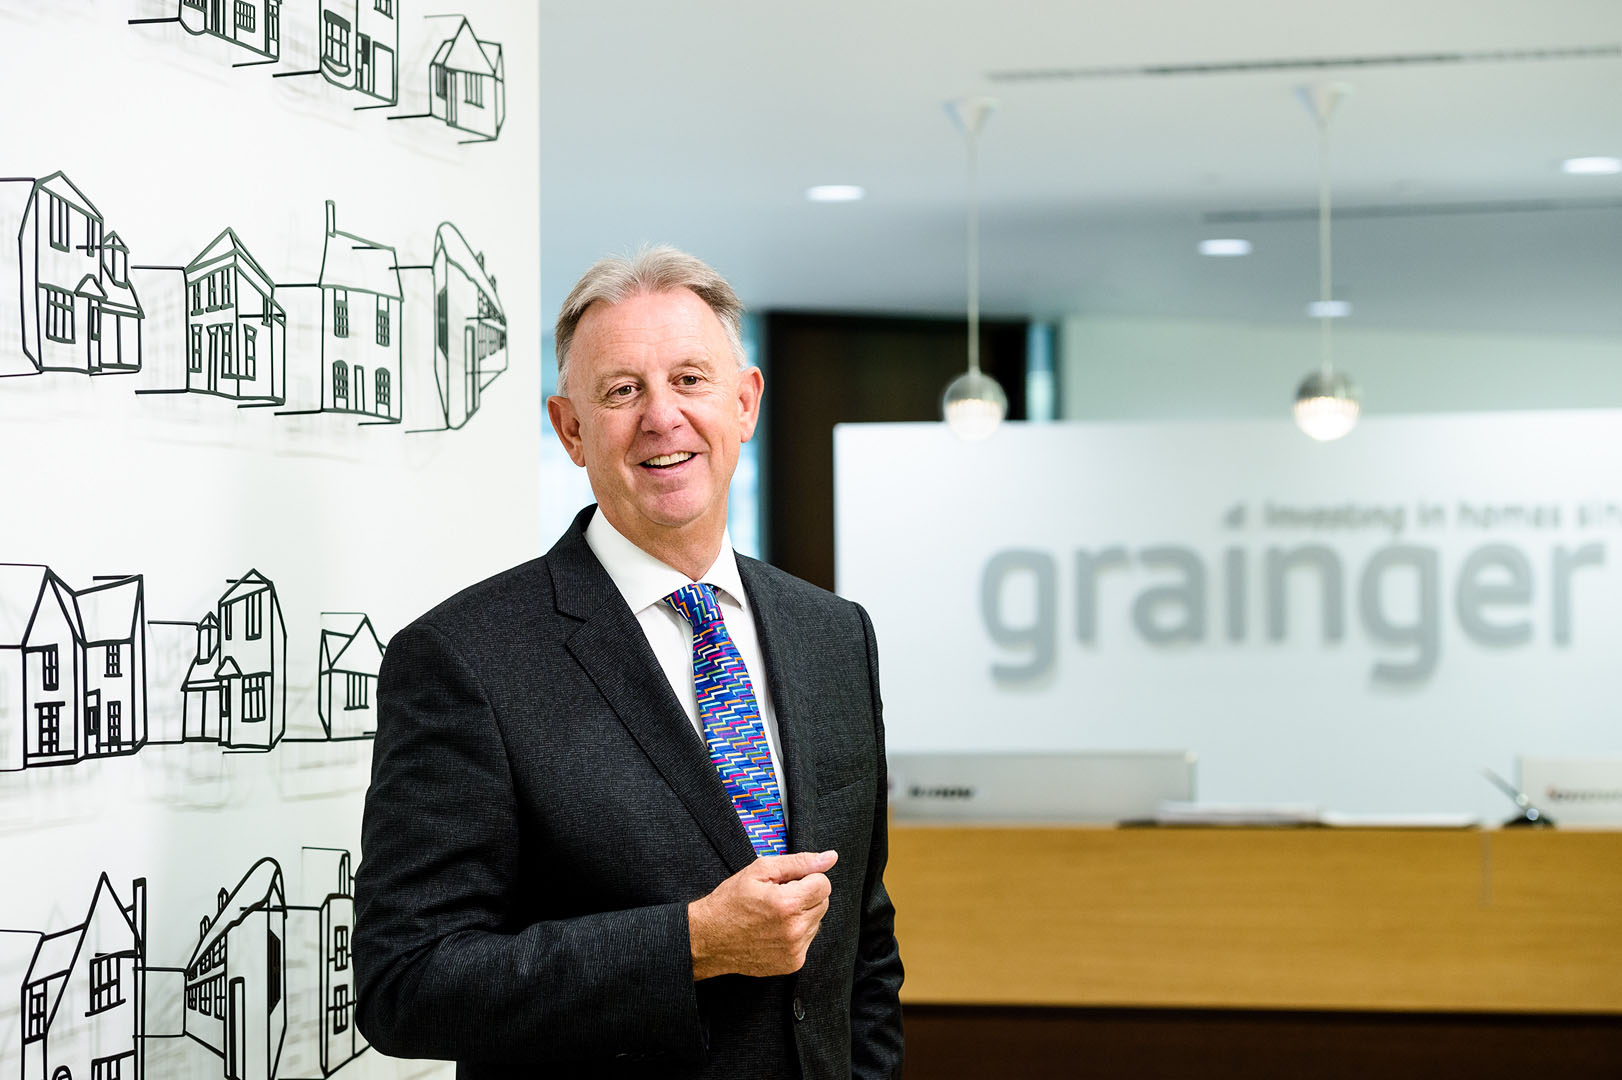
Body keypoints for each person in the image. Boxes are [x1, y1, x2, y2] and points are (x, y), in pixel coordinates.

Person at [354, 246, 904, 1079]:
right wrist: (688, 945)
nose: (662, 418)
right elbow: (409, 983)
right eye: (621, 391)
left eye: (690, 379)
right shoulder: (466, 659)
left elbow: (863, 947)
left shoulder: (834, 635)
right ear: (570, 429)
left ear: (745, 402)